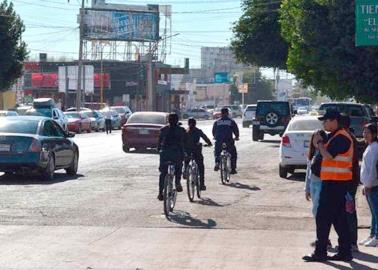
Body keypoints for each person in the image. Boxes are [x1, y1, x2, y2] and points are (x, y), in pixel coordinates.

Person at [303, 111, 353, 262]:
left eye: (325, 121)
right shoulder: (335, 136)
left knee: (322, 217)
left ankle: (320, 252)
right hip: (334, 182)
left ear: (334, 121)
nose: (323, 124)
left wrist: (319, 143)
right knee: (339, 219)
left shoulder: (341, 137)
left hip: (335, 183)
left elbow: (328, 155)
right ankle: (345, 252)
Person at [339, 114, 360, 252]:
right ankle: (348, 241)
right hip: (348, 181)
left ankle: (352, 242)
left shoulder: (347, 138)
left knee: (349, 212)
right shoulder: (348, 137)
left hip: (348, 182)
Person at [157, 113, 186, 201]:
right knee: (178, 167)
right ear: (177, 121)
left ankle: (160, 193)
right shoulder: (181, 130)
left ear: (168, 120)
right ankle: (177, 182)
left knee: (163, 173)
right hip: (176, 153)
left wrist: (159, 150)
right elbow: (185, 142)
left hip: (165, 153)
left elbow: (159, 143)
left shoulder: (163, 129)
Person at [359, 123, 378, 247]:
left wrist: (369, 184)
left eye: (367, 132)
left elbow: (373, 169)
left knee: (377, 213)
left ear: (374, 134)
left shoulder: (375, 147)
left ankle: (376, 237)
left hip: (374, 186)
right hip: (368, 185)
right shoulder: (370, 146)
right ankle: (372, 234)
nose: (365, 134)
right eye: (364, 132)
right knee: (373, 213)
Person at [184, 118, 212, 191]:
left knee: (186, 160)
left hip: (188, 151)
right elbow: (205, 138)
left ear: (188, 123)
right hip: (196, 151)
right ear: (195, 124)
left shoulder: (185, 131)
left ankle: (185, 171)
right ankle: (202, 184)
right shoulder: (198, 131)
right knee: (200, 167)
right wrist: (209, 143)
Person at [212, 107, 239, 174]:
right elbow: (236, 130)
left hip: (219, 140)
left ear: (221, 113)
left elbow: (213, 131)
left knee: (217, 152)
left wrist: (215, 137)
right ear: (227, 113)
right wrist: (237, 137)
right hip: (228, 140)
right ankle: (233, 169)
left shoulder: (217, 122)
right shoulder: (231, 121)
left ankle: (217, 163)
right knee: (233, 153)